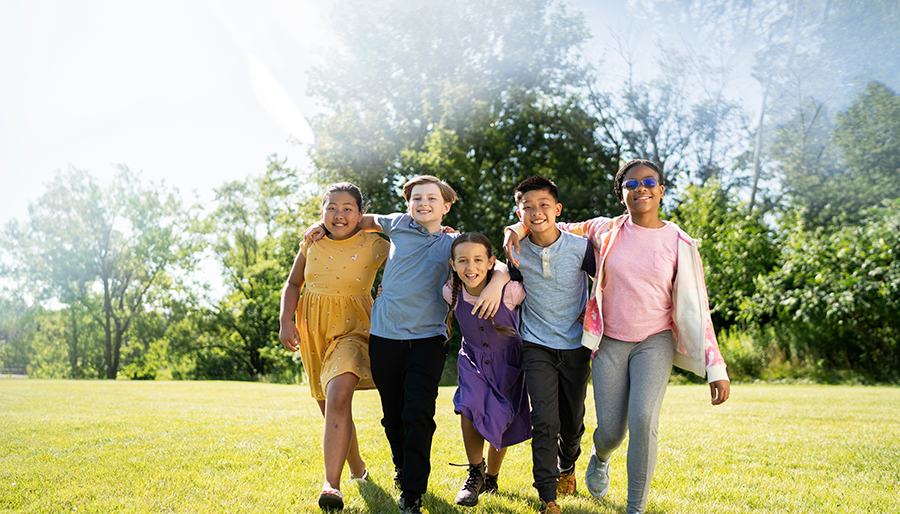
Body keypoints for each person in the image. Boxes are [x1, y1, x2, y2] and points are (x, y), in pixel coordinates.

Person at [505, 159, 731, 514]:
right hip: (607, 340)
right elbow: (548, 224)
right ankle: (601, 456)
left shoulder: (680, 242)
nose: (640, 188)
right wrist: (513, 231)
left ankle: (635, 508)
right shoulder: (604, 229)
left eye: (649, 181)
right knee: (610, 431)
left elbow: (697, 307)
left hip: (655, 339)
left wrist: (716, 368)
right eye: (631, 183)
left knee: (643, 419)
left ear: (660, 190)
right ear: (621, 193)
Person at [305, 175, 508, 514]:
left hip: (428, 339)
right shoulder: (397, 224)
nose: (423, 203)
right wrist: (320, 224)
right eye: (416, 198)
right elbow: (356, 219)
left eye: (431, 198)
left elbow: (491, 261)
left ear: (446, 206)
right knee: (393, 417)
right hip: (384, 337)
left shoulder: (453, 243)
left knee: (418, 414)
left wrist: (496, 283)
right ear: (408, 204)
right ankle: (401, 469)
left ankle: (412, 492)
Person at [278, 182, 390, 511]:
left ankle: (331, 484)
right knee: (330, 408)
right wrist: (286, 320)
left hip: (355, 328)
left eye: (347, 208)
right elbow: (293, 283)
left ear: (360, 213)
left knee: (339, 394)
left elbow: (412, 255)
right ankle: (358, 469)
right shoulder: (311, 242)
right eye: (331, 208)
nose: (339, 214)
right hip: (313, 329)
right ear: (321, 212)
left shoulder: (375, 244)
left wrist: (439, 233)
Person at [505, 176, 596, 514]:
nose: (536, 211)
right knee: (544, 420)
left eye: (543, 205)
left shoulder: (580, 247)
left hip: (575, 346)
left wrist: (590, 314)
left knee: (571, 423)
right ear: (519, 212)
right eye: (527, 206)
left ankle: (567, 465)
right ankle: (547, 498)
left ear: (557, 209)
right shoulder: (516, 252)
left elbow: (606, 283)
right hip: (536, 344)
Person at [443, 232, 531, 507]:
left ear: (491, 262)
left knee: (501, 418)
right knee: (468, 408)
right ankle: (475, 471)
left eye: (479, 260)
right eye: (463, 261)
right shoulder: (451, 293)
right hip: (472, 359)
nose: (471, 267)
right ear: (453, 264)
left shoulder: (511, 291)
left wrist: (502, 274)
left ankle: (492, 477)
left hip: (508, 362)